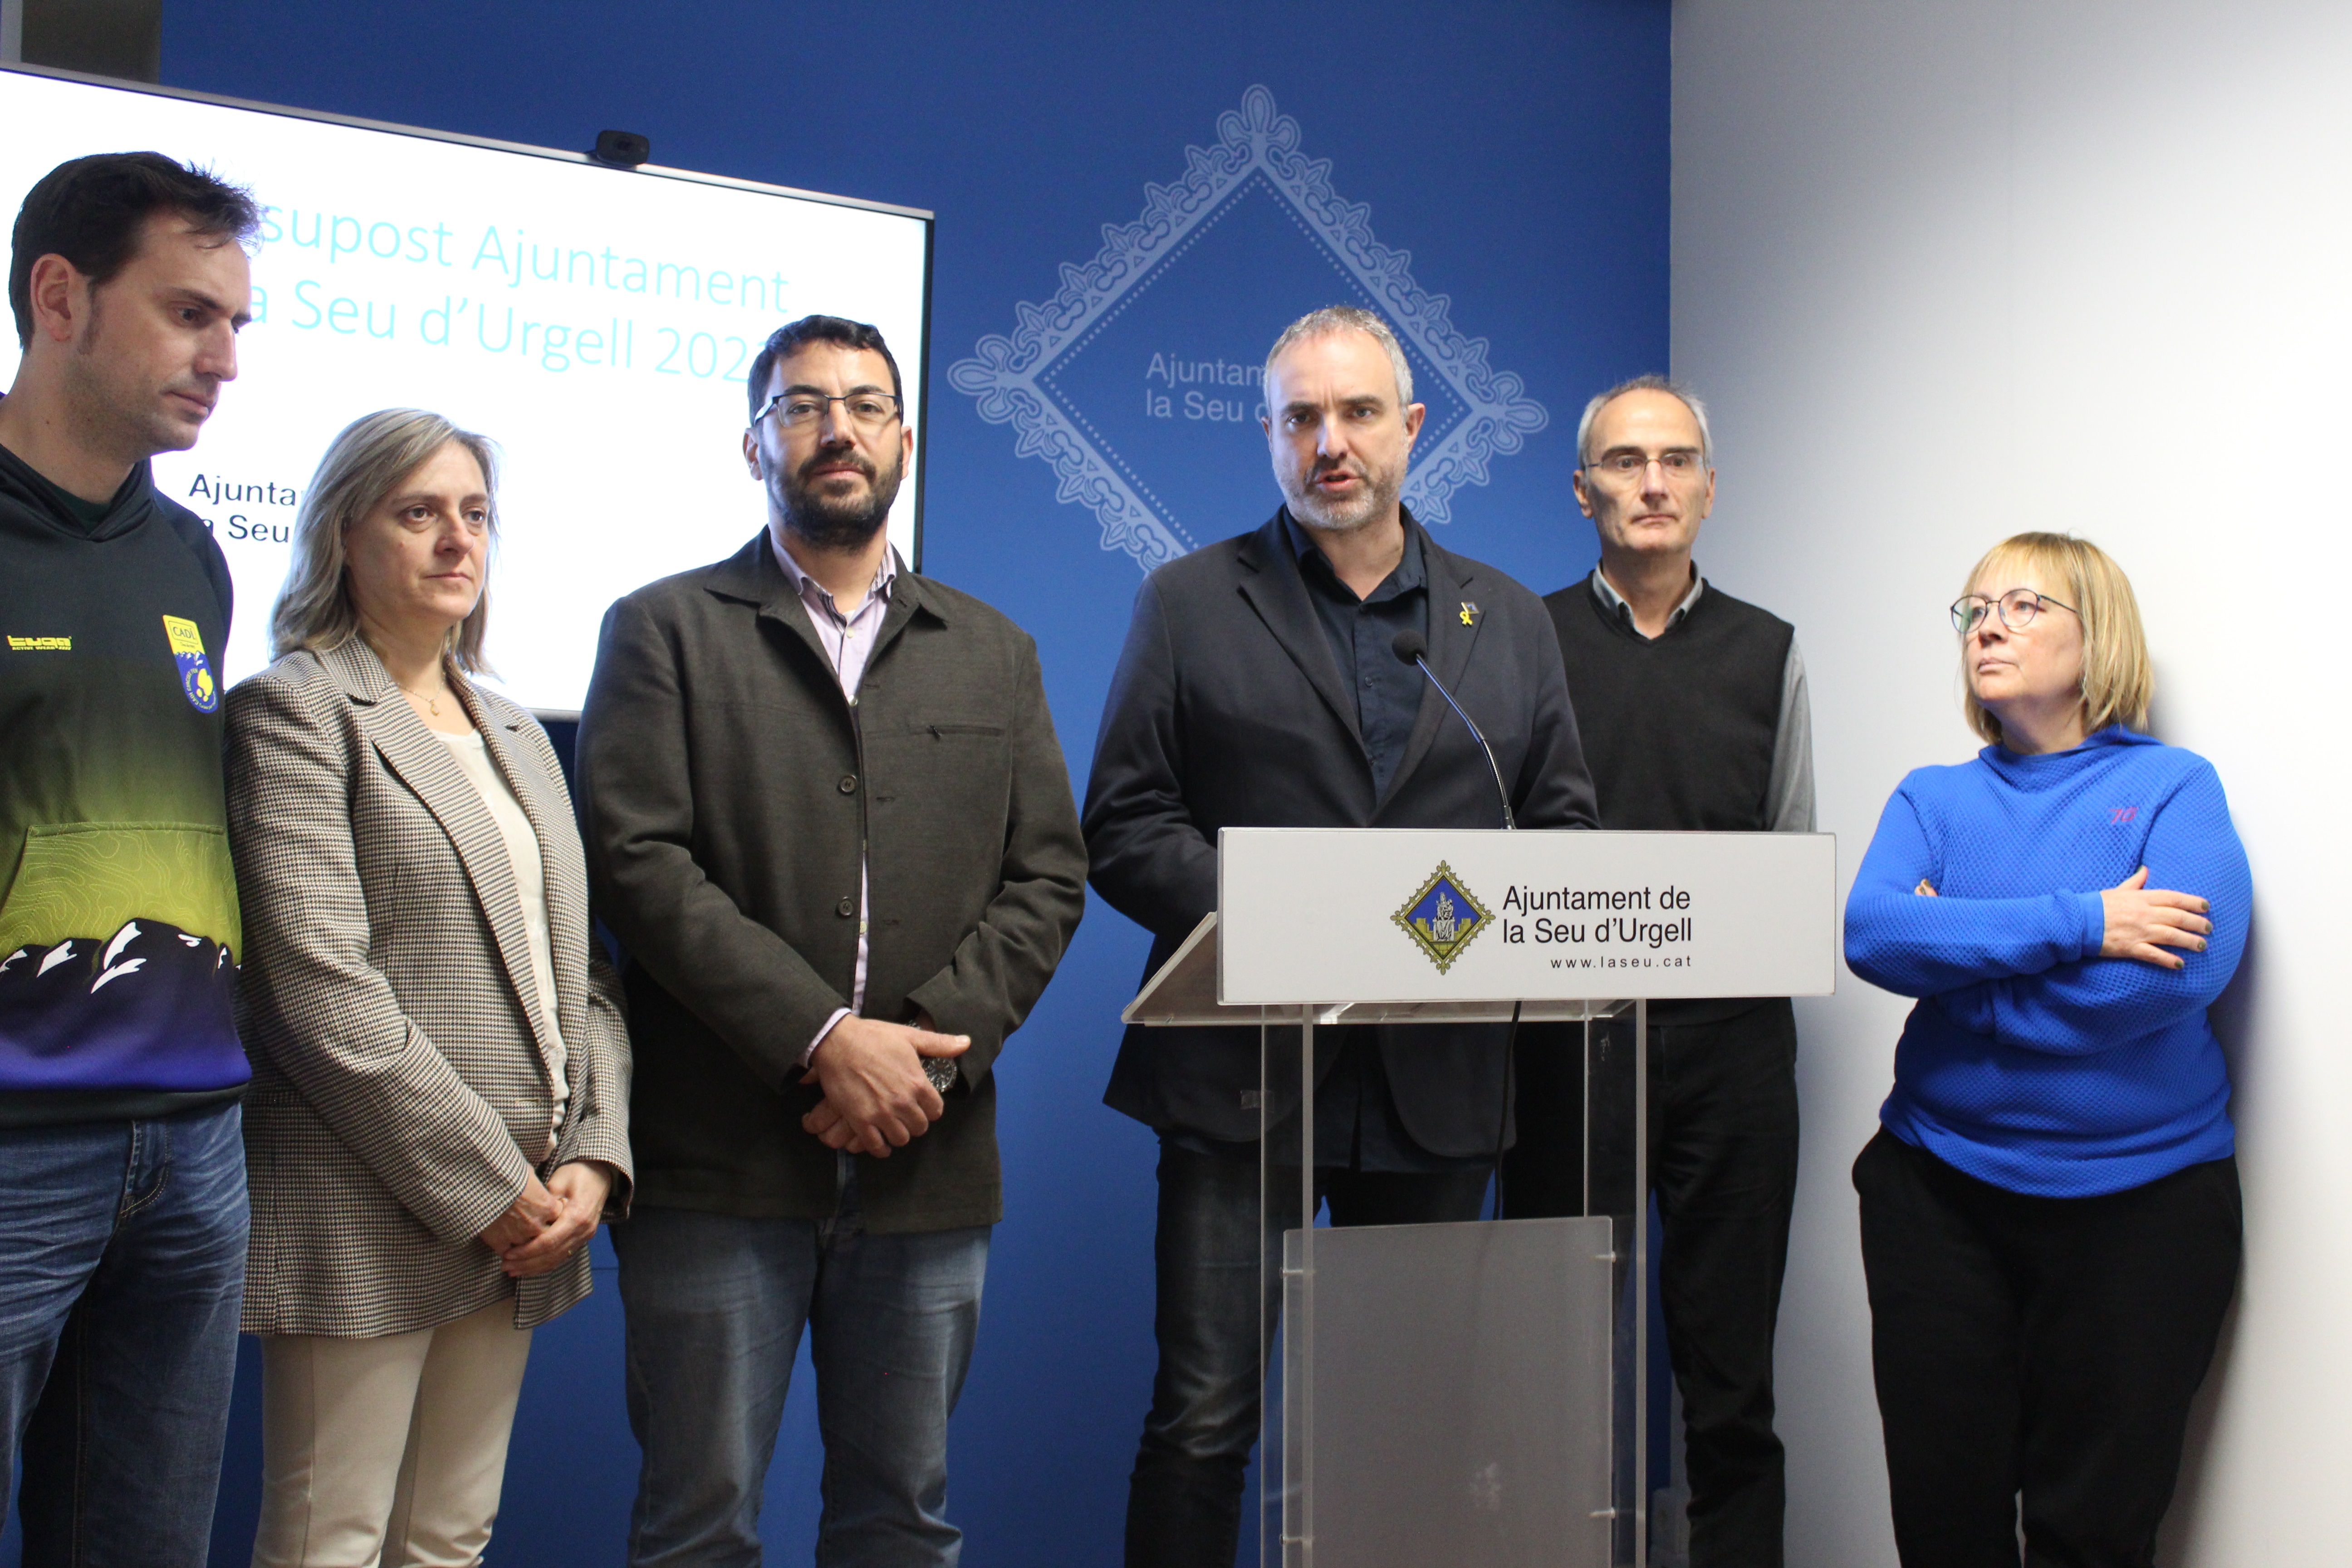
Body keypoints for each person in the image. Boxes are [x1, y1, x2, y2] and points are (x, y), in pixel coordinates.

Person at [1086, 304, 1599, 1568]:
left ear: (1410, 428)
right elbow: (1126, 824)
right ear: (1268, 434)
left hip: (1440, 1080)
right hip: (1240, 1073)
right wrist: (1292, 917)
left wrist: (1441, 930)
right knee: (1205, 1417)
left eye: (1359, 413)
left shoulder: (1506, 620)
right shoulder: (1189, 602)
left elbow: (1562, 831)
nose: (1331, 443)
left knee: (1410, 1426)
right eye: (1302, 418)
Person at [577, 313, 1087, 1565]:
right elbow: (638, 863)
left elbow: (1047, 876)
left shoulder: (994, 652)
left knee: (900, 1524)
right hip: (716, 1168)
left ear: (905, 441)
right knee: (697, 1530)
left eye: (865, 406)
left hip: (926, 1161)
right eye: (802, 406)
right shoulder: (665, 629)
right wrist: (824, 1039)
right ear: (755, 446)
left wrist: (919, 1062)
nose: (837, 430)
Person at [225, 408, 633, 1565]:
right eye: (420, 513)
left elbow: (582, 974)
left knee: (453, 1536)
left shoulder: (515, 729)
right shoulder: (295, 708)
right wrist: (490, 1185)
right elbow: (317, 992)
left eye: (476, 514)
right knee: (331, 1537)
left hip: (531, 1212)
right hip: (368, 1197)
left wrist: (594, 1156)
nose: (459, 540)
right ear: (342, 536)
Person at [1844, 532, 2247, 1568]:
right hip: (1939, 1197)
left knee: (2095, 1535)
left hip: (2143, 1211)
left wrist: (1960, 976)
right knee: (1946, 1526)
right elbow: (1874, 933)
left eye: (2024, 606)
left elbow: (2173, 978)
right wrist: (2083, 921)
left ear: (2096, 633)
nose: (1988, 627)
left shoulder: (2174, 787)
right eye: (1975, 609)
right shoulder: (1933, 797)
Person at [1502, 375, 1813, 1564]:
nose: (1653, 483)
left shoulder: (1769, 650)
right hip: (1566, 1046)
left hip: (1735, 1055)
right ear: (1581, 490)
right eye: (1626, 462)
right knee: (1550, 1376)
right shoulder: (1523, 640)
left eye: (1676, 461)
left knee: (1733, 1391)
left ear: (1710, 490)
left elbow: (1791, 858)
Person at [0, 152, 259, 1564]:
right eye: (188, 315)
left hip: (195, 1149)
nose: (224, 361)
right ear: (61, 298)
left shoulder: (193, 558)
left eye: (235, 324)